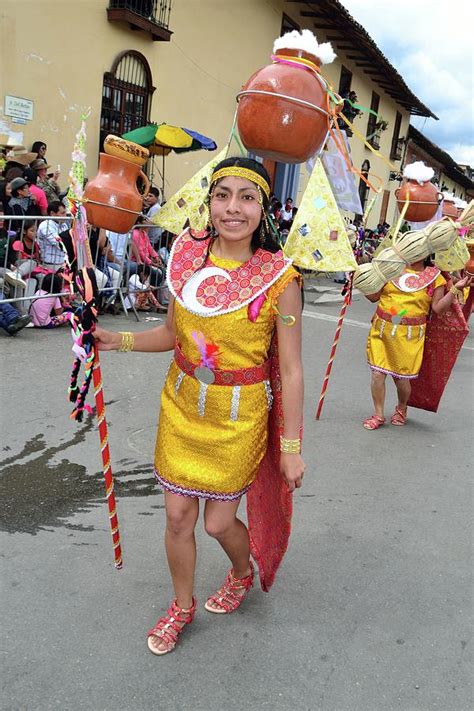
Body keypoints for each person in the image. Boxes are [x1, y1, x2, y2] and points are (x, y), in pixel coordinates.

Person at [94, 157, 305, 656]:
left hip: (238, 416)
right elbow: (172, 333)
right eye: (222, 195)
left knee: (216, 523)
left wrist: (291, 447)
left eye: (247, 197)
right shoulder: (187, 256)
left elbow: (292, 370)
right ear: (208, 202)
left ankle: (240, 571)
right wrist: (114, 339)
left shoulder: (280, 278)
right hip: (182, 406)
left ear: (263, 208)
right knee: (177, 519)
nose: (233, 208)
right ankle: (181, 606)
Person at [363, 260, 472, 429]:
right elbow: (373, 297)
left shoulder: (435, 277)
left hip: (409, 337)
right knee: (377, 374)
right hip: (382, 331)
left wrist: (456, 288)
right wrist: (359, 280)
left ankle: (402, 407)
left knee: (401, 379)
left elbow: (438, 309)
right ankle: (378, 414)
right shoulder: (391, 268)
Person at [36, 201, 68, 270]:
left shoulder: (64, 224)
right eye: (62, 213)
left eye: (65, 212)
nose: (65, 216)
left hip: (65, 262)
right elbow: (59, 243)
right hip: (51, 265)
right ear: (52, 213)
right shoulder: (45, 225)